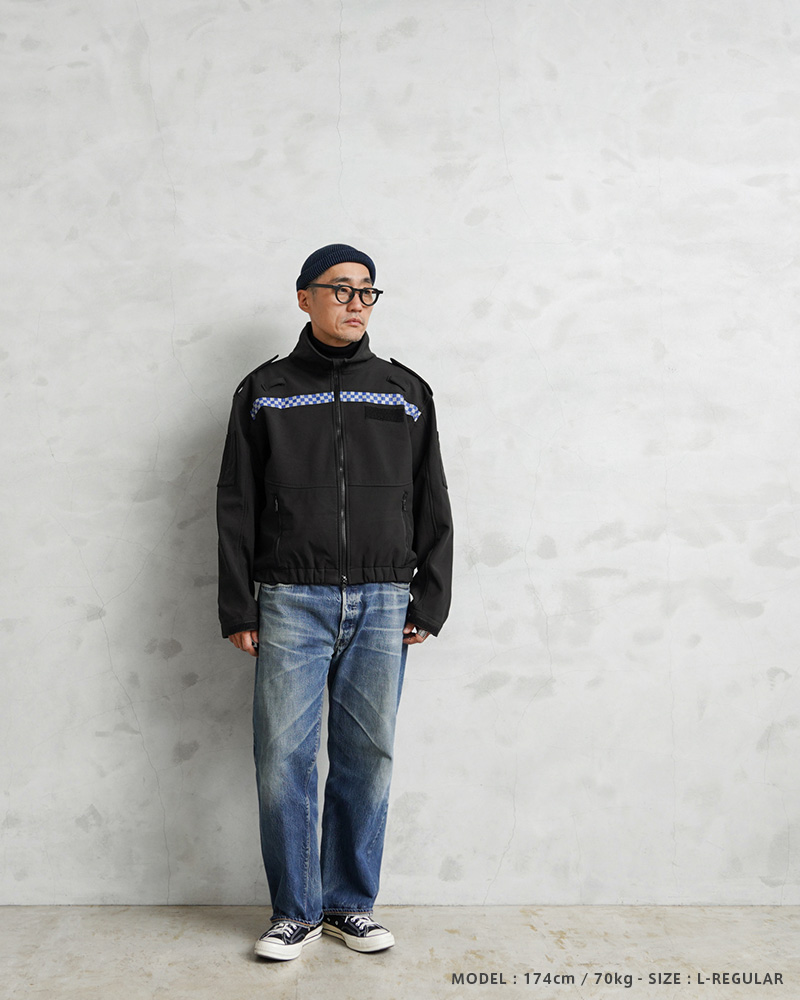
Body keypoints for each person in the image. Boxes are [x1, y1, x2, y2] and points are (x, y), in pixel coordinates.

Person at [216, 244, 453, 961]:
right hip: (292, 597)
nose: (356, 303)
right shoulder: (264, 390)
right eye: (341, 289)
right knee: (283, 758)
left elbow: (433, 497)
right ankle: (295, 912)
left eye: (367, 291)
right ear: (305, 297)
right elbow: (236, 502)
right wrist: (239, 605)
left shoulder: (404, 390)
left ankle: (350, 904)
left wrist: (429, 597)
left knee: (367, 757)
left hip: (384, 600)